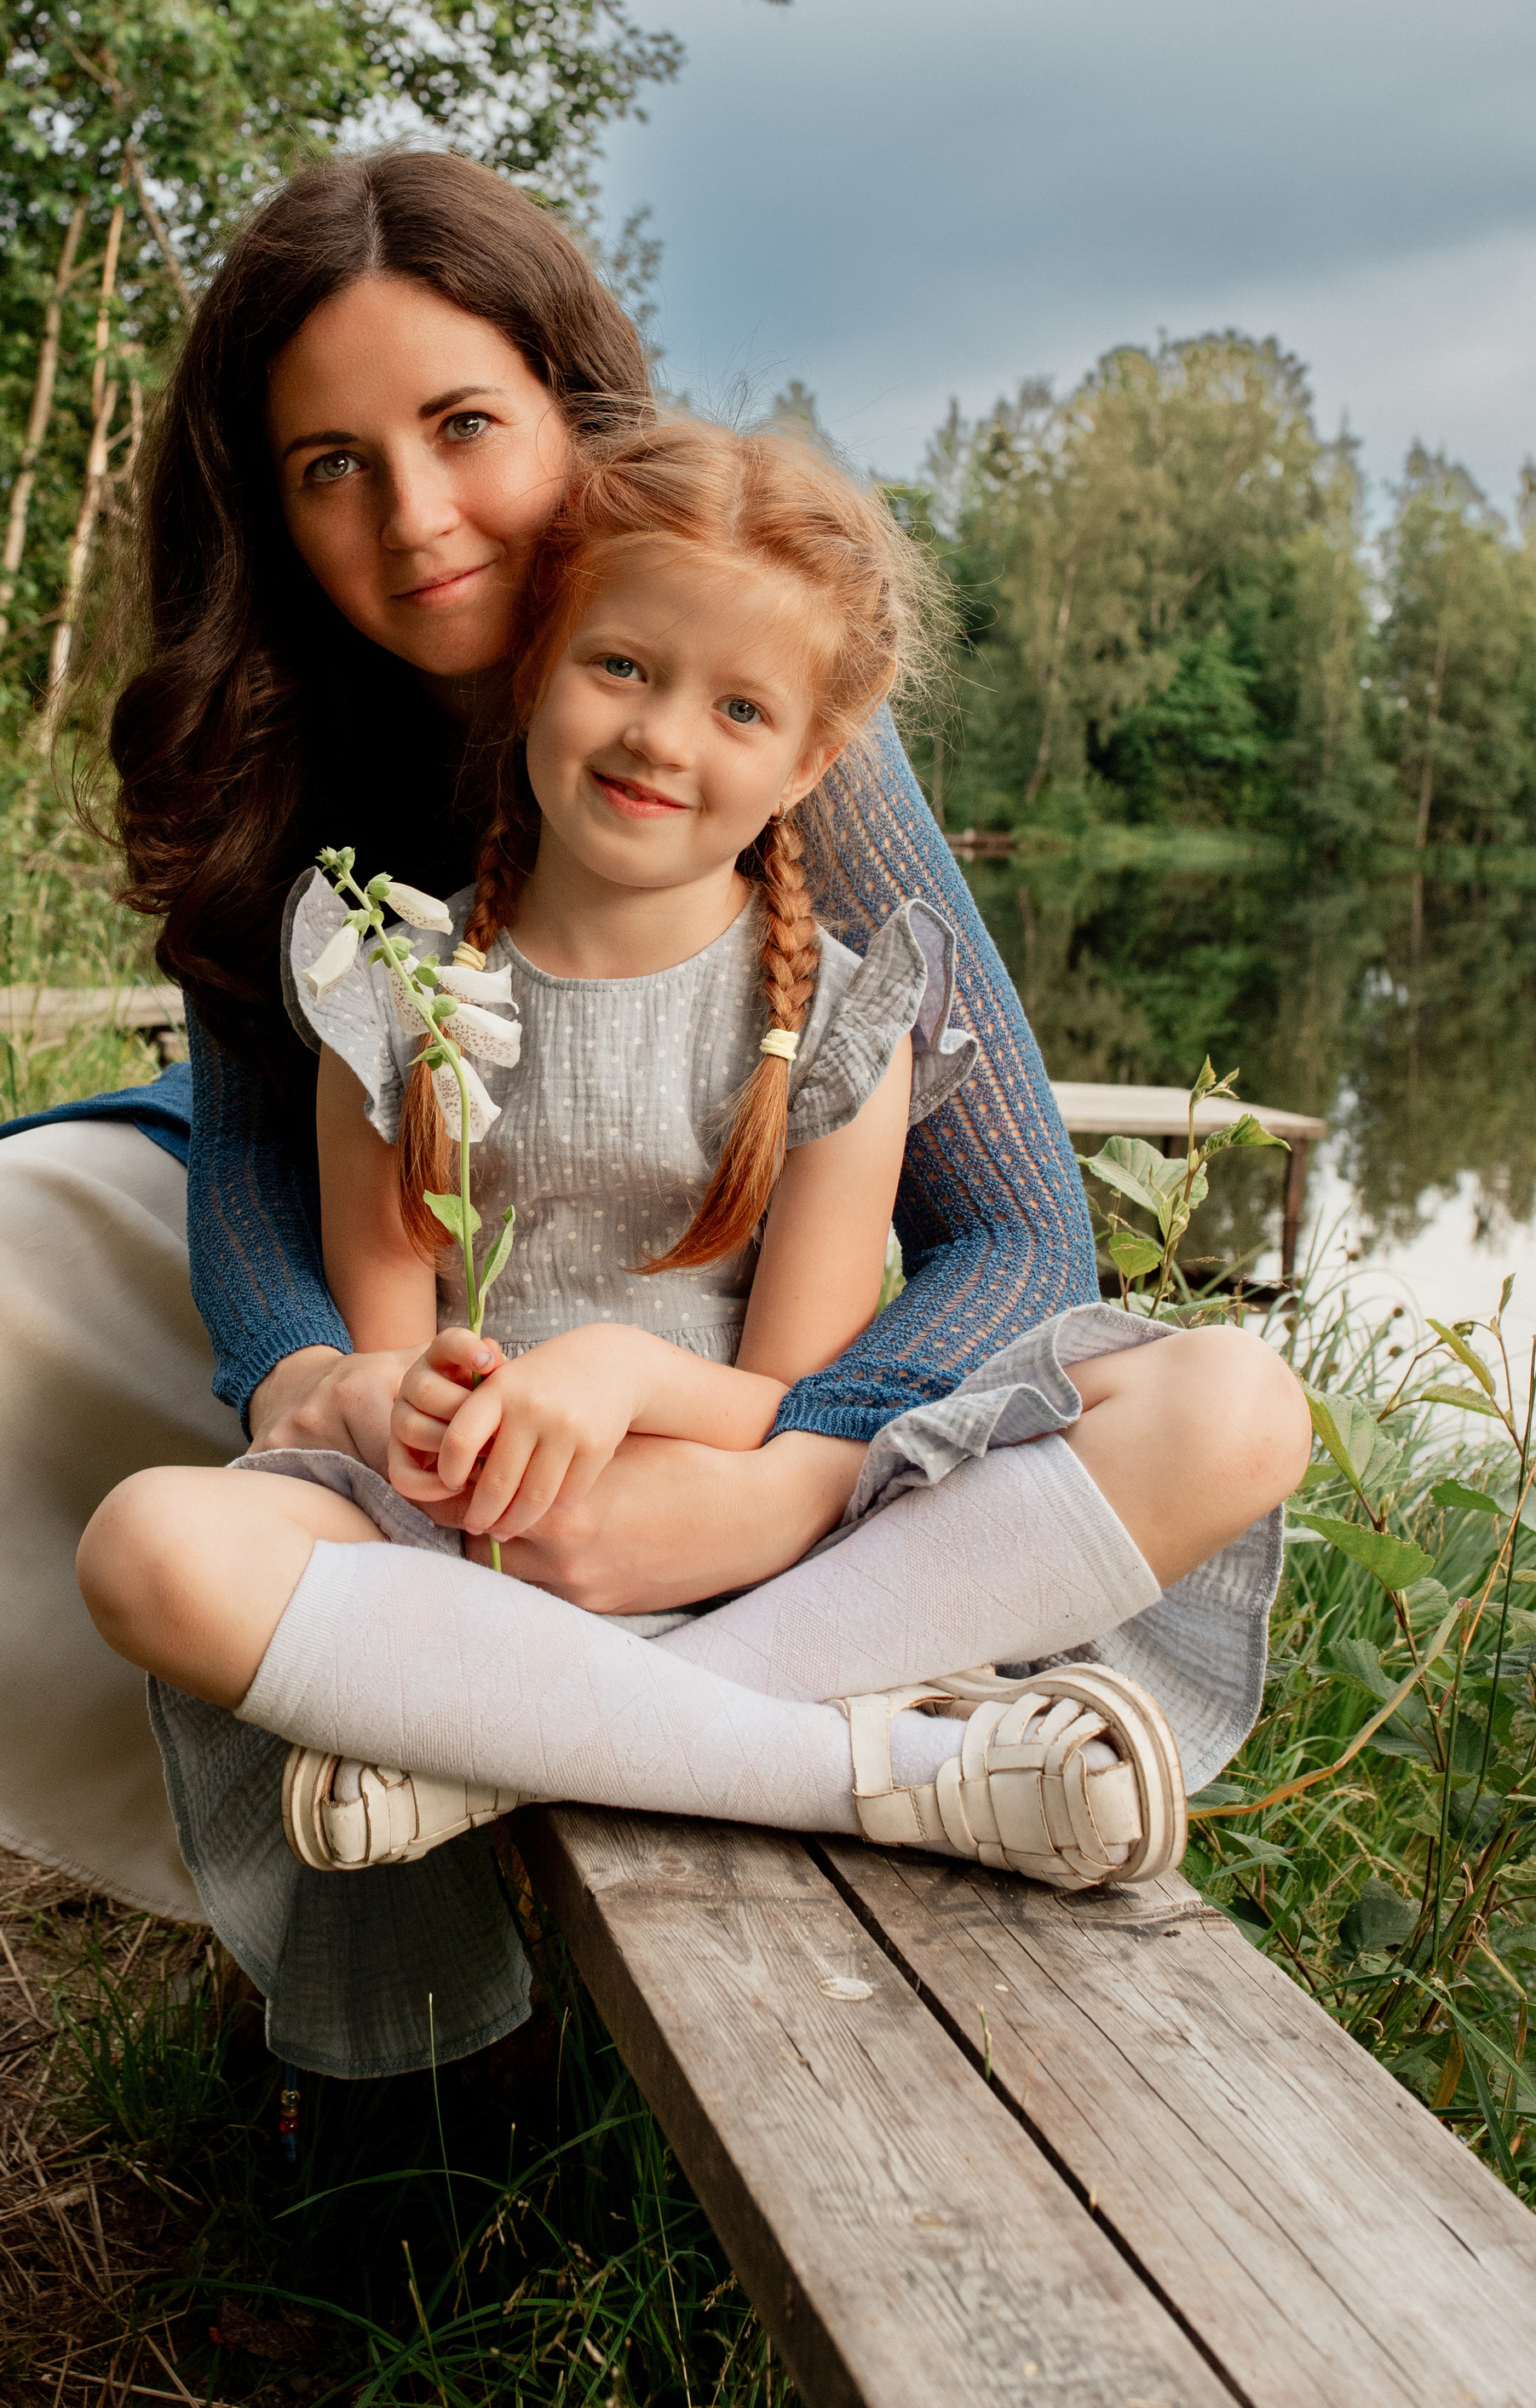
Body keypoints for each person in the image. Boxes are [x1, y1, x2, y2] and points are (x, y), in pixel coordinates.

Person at [0, 153, 1309, 2404]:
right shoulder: (284, 736)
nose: (417, 518)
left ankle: (584, 1736)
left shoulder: (739, 682)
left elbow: (1028, 1234)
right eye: (334, 467)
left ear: (572, 411)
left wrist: (785, 1470)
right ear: (270, 505)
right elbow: (249, 1186)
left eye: (466, 427)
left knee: (1176, 1407)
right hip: (370, 1309)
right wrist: (313, 1382)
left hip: (717, 1406)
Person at [82, 416, 1280, 2079]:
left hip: (758, 1552)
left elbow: (791, 1393)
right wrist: (425, 1411)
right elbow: (379, 1354)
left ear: (810, 760)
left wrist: (620, 1369)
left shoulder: (840, 1017)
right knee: (149, 1548)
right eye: (620, 667)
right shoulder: (395, 980)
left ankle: (495, 1752)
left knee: (1234, 1405)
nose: (660, 736)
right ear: (531, 670)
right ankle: (844, 1764)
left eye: (736, 707)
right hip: (466, 1561)